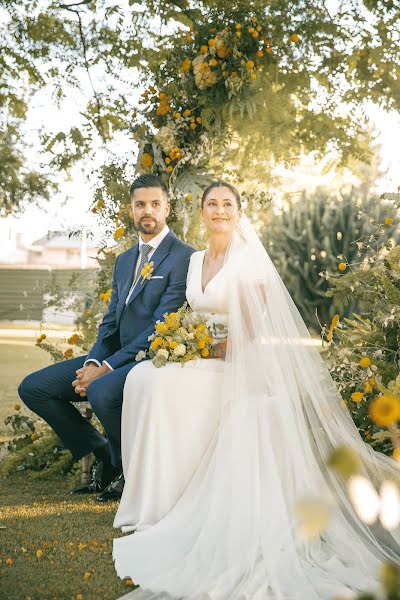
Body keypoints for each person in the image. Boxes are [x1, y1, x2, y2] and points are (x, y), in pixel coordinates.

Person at [113, 181, 400, 599]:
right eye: (212, 204)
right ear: (201, 213)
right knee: (143, 378)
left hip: (235, 362)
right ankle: (150, 499)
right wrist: (186, 343)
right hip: (200, 356)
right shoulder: (194, 261)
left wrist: (207, 349)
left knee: (160, 383)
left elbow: (250, 330)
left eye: (227, 204)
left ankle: (171, 499)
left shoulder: (248, 261)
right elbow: (189, 314)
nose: (219, 211)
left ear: (239, 212)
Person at [18, 174, 195, 501]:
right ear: (131, 210)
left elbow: (161, 325)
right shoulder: (125, 260)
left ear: (167, 208)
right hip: (112, 359)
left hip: (150, 358)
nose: (148, 211)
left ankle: (132, 470)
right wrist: (93, 361)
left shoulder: (184, 257)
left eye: (155, 204)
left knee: (101, 390)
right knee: (34, 388)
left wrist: (108, 368)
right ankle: (104, 454)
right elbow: (111, 321)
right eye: (140, 204)